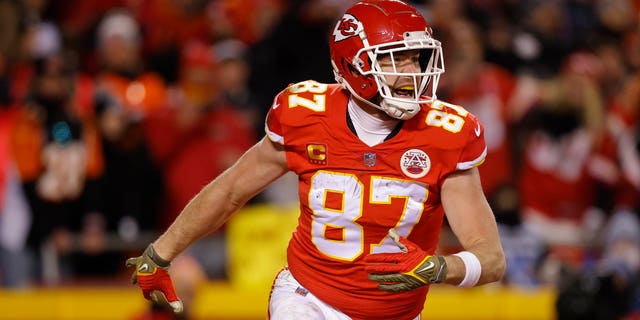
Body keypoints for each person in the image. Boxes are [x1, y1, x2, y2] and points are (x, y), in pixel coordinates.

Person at [126, 1, 506, 319]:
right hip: (310, 299)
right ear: (354, 66)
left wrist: (442, 268)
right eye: (396, 59)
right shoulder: (305, 115)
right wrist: (161, 253)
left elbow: (490, 258)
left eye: (417, 59)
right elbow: (229, 191)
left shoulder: (446, 135)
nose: (412, 73)